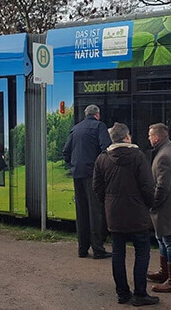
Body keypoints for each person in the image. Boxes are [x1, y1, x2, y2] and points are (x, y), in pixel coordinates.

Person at [93, 123, 158, 306]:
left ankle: (122, 294)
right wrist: (150, 204)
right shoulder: (138, 156)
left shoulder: (102, 158)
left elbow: (96, 188)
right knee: (142, 252)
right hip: (137, 214)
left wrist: (107, 203)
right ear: (127, 137)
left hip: (114, 214)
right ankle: (140, 294)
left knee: (118, 253)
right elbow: (147, 186)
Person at [62, 104, 112, 259]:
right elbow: (107, 148)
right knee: (95, 211)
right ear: (97, 114)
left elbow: (66, 151)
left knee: (81, 211)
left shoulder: (76, 128)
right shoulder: (99, 126)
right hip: (93, 174)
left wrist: (74, 164)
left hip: (77, 173)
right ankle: (98, 249)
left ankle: (82, 249)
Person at [146, 123, 171, 292]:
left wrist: (152, 203)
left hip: (165, 207)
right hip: (170, 205)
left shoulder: (164, 156)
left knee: (169, 241)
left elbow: (162, 187)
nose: (148, 138)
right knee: (161, 238)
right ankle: (164, 273)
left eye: (149, 135)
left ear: (157, 137)